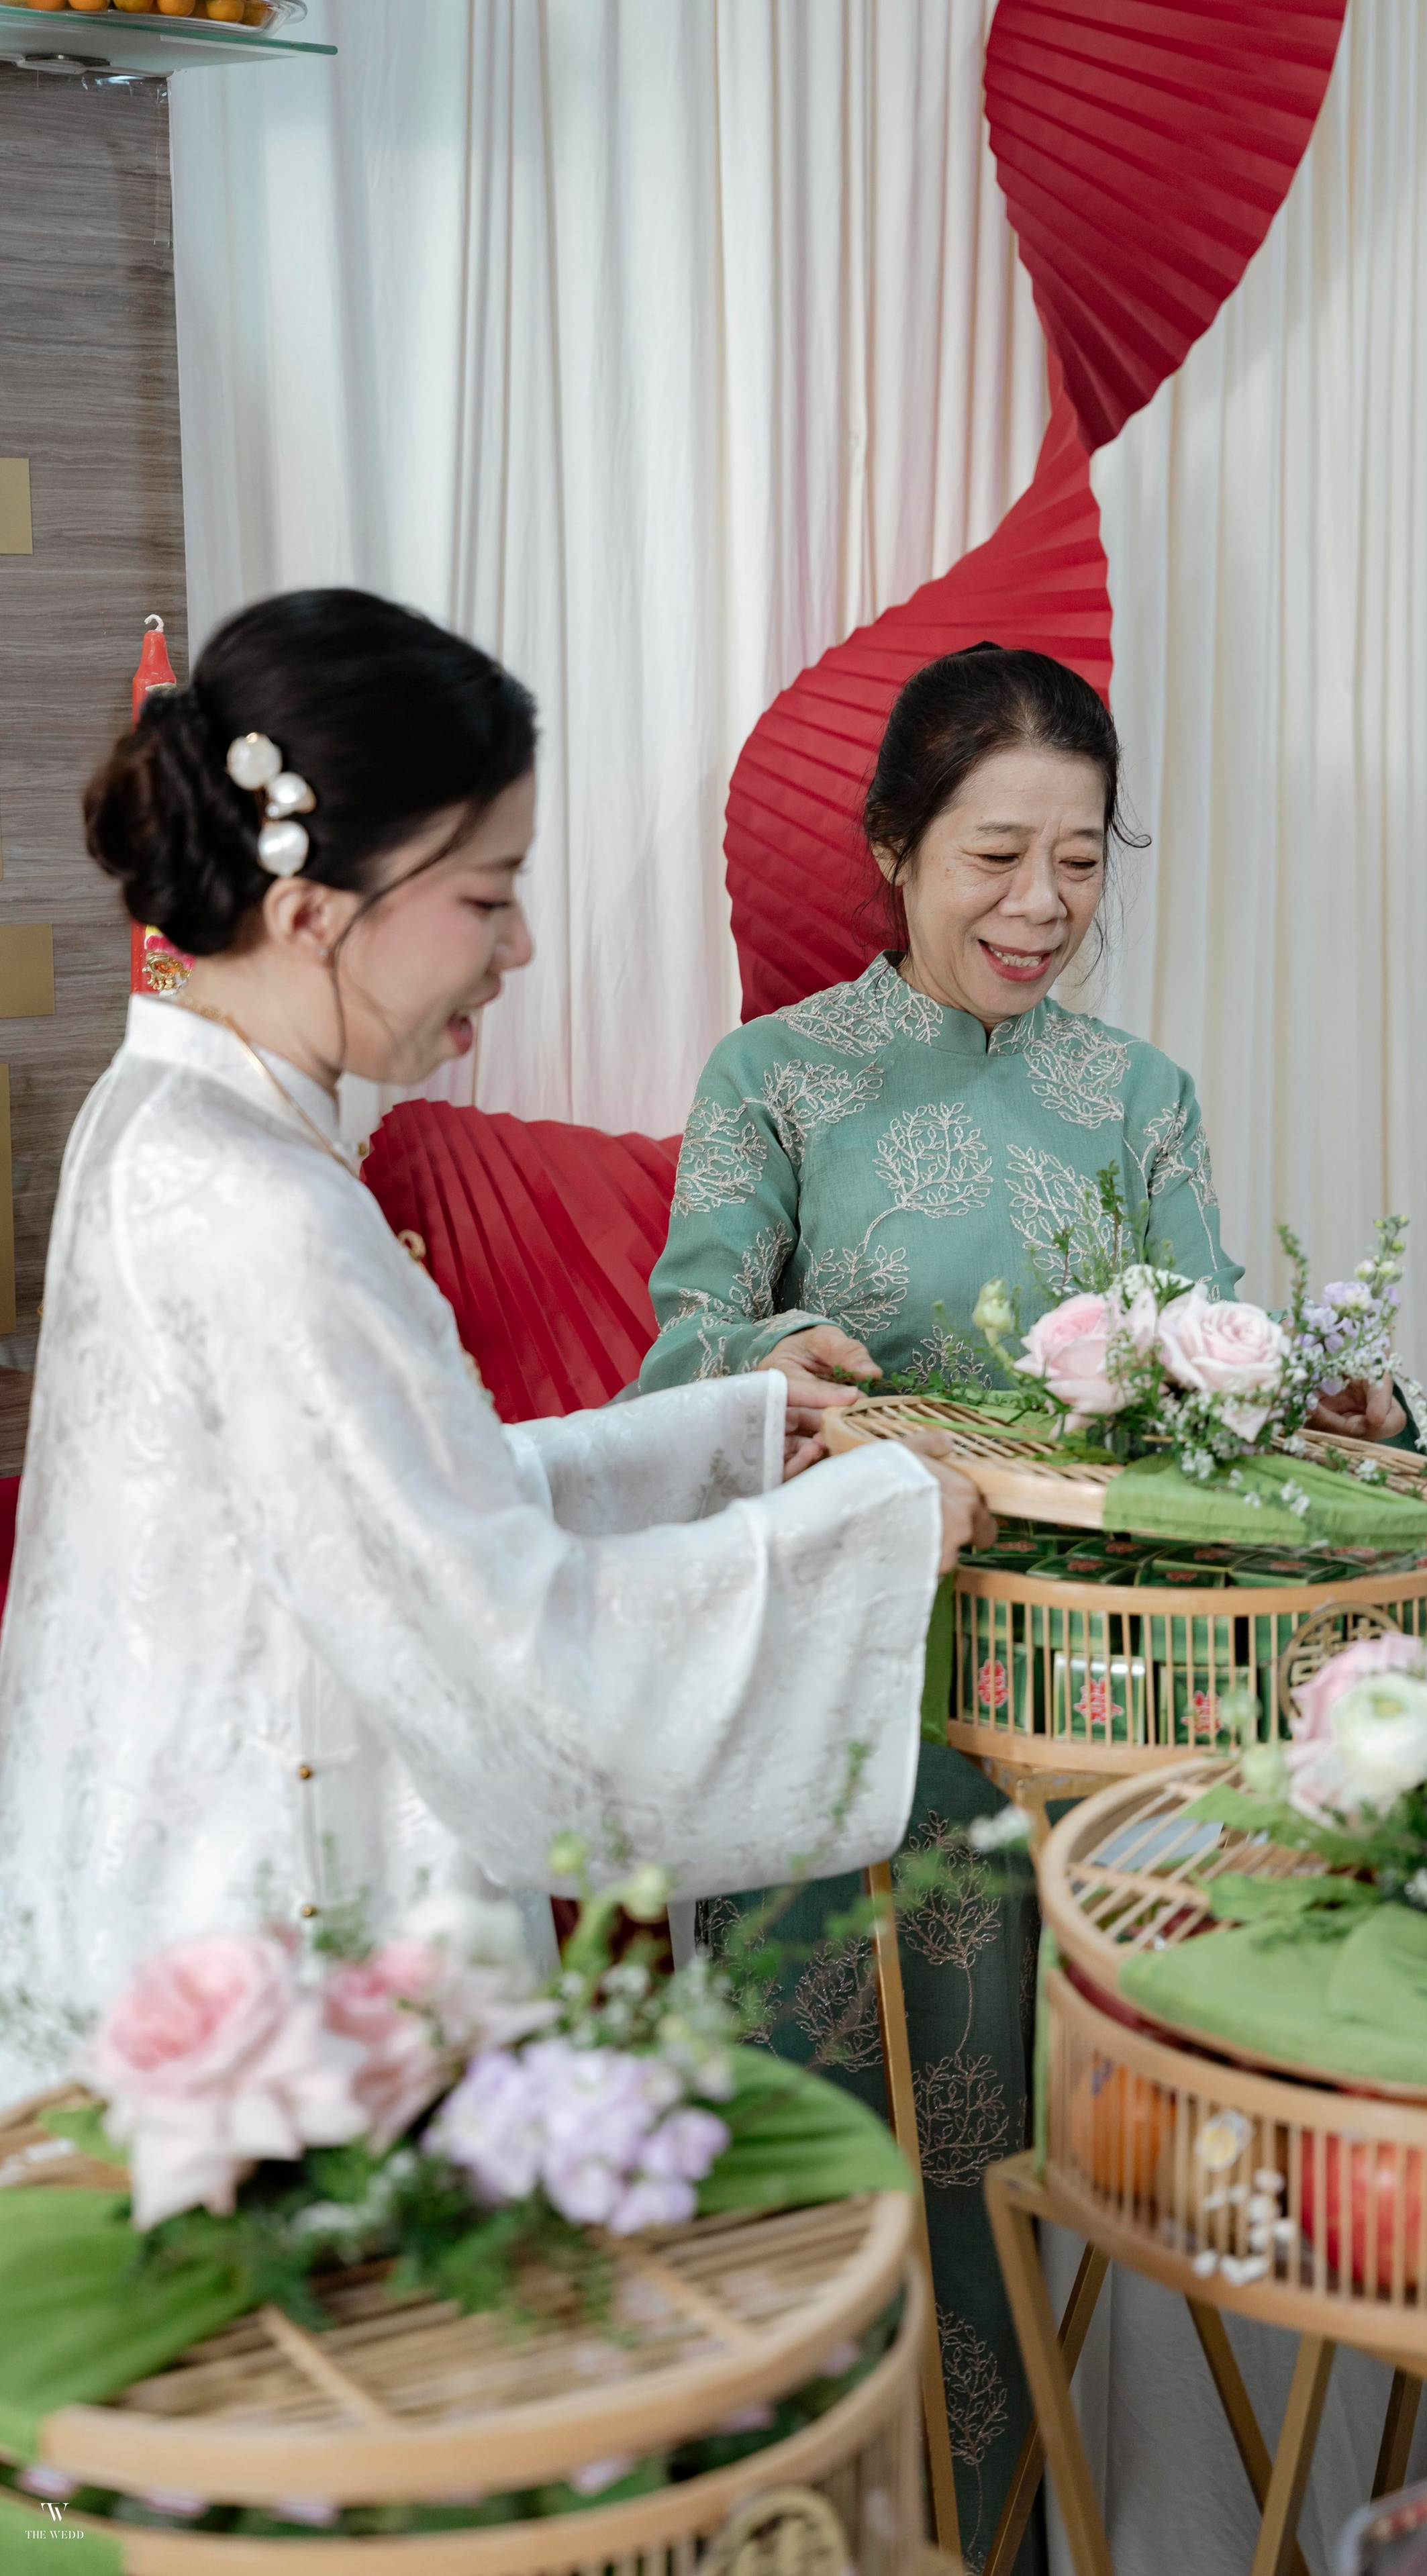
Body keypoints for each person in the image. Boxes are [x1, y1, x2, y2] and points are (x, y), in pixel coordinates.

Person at [0, 588, 994, 2113]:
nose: (520, 944)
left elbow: (395, 1509)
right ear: (313, 908)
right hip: (268, 1990)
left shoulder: (177, 1116)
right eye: (487, 893)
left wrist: (724, 1432)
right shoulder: (263, 1208)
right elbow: (528, 1673)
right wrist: (873, 1532)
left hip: (173, 1908)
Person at [639, 643, 1406, 2569]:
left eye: (1079, 859)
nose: (1041, 905)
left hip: (1086, 1716)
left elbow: (1207, 1383)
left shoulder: (1139, 1099)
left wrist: (1306, 1398)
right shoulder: (774, 1080)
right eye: (995, 857)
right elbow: (680, 1359)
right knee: (838, 2133)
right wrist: (770, 1359)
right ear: (894, 848)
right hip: (840, 1687)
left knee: (1045, 2150)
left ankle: (1014, 2532)